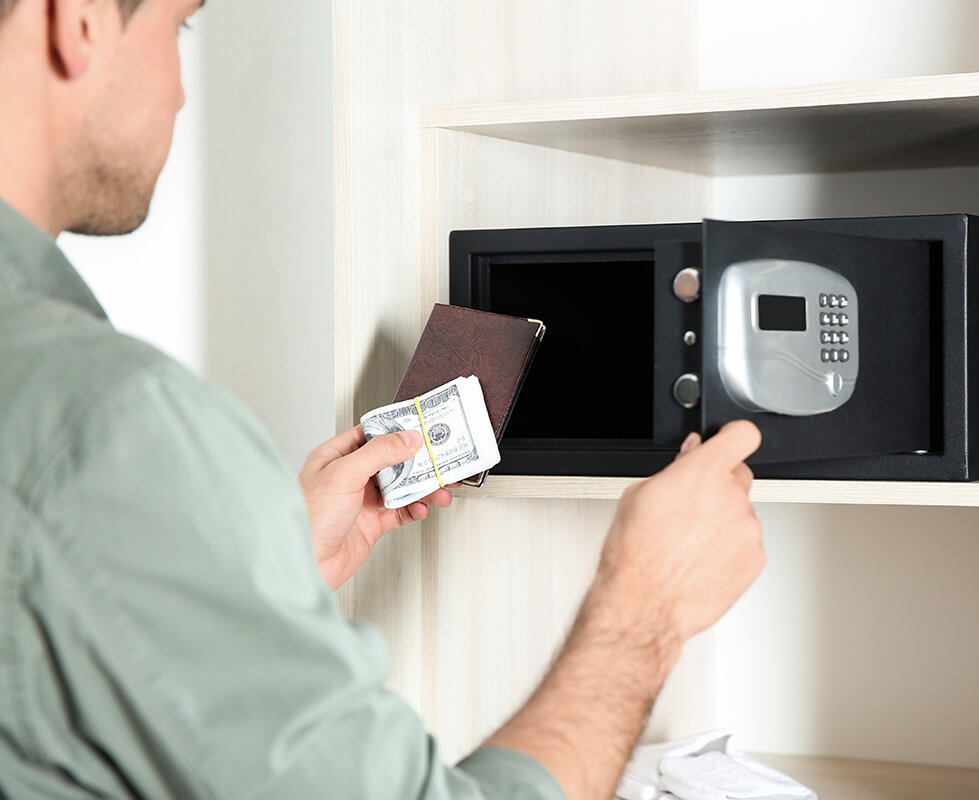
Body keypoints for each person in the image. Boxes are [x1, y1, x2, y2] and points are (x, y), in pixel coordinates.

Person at [0, 1, 766, 798]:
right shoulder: (109, 424)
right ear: (78, 21)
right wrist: (643, 608)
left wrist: (245, 570)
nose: (183, 94)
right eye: (178, 28)